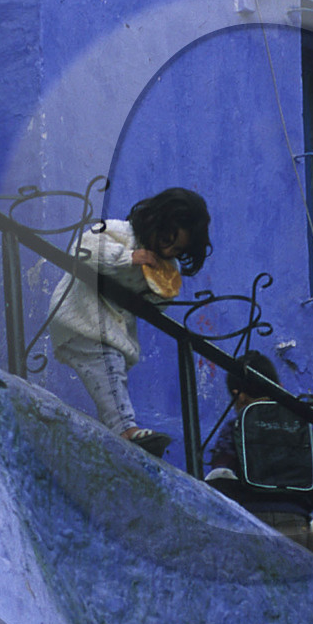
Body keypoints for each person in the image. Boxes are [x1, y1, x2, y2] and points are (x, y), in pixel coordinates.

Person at [49, 188, 210, 454]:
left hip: (111, 328)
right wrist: (129, 258)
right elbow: (84, 248)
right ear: (155, 222)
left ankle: (119, 430)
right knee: (107, 365)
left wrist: (160, 292)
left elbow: (154, 305)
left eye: (177, 249)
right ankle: (124, 428)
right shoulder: (119, 232)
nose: (167, 250)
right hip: (81, 316)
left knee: (112, 372)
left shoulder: (167, 265)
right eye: (166, 240)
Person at [204, 351, 313, 542]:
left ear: (239, 396)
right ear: (278, 387)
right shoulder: (300, 427)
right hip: (296, 521)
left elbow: (221, 478)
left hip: (250, 519)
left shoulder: (235, 427)